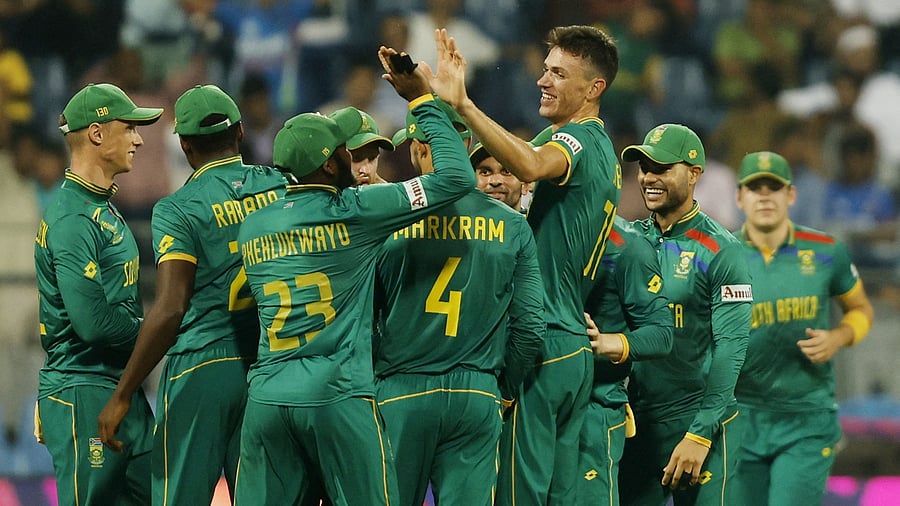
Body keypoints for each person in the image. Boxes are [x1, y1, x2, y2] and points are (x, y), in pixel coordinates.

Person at [232, 45, 477, 505]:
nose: (353, 159)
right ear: (329, 164)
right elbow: (456, 179)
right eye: (344, 152)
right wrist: (422, 100)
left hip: (267, 396)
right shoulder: (356, 210)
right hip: (337, 392)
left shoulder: (255, 223)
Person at [429, 25, 622, 504]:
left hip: (540, 343)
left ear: (593, 89)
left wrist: (464, 105)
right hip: (570, 346)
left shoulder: (578, 141)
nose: (543, 80)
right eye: (545, 69)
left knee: (518, 495)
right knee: (559, 496)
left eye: (559, 73)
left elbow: (531, 166)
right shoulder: (592, 147)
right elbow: (519, 168)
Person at [96, 84, 287, 505]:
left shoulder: (178, 209)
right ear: (239, 133)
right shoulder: (279, 186)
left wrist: (124, 391)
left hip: (202, 367)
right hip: (269, 365)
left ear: (183, 144)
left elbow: (171, 307)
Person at [373, 102, 544, 506]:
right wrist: (500, 389)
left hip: (401, 389)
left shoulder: (385, 215)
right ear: (466, 145)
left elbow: (363, 313)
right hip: (477, 392)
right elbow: (530, 326)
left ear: (416, 148)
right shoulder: (513, 225)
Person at [34, 83, 163, 505]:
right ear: (97, 134)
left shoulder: (101, 208)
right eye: (129, 128)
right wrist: (161, 332)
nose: (139, 139)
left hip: (117, 386)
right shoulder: (73, 217)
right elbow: (91, 323)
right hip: (83, 390)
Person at [618, 123, 752, 506]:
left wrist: (700, 433)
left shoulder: (721, 250)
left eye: (662, 168)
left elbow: (731, 345)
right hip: (638, 425)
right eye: (644, 167)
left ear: (695, 173)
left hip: (698, 421)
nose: (648, 178)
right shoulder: (627, 241)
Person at [732, 150, 875, 506]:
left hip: (806, 417)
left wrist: (838, 337)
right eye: (754, 187)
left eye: (774, 187)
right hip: (739, 418)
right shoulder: (721, 255)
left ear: (790, 195)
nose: (764, 195)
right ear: (739, 197)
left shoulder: (827, 251)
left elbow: (861, 309)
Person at [579, 215, 674, 505]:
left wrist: (607, 342)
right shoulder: (528, 228)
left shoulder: (628, 245)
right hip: (526, 407)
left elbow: (661, 334)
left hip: (595, 406)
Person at [329, 106, 395, 186]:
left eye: (372, 158)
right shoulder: (313, 195)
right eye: (356, 158)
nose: (366, 171)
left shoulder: (388, 194)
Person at [469, 141, 530, 212]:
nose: (495, 181)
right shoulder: (455, 222)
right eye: (485, 172)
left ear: (525, 184)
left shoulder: (538, 222)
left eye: (507, 172)